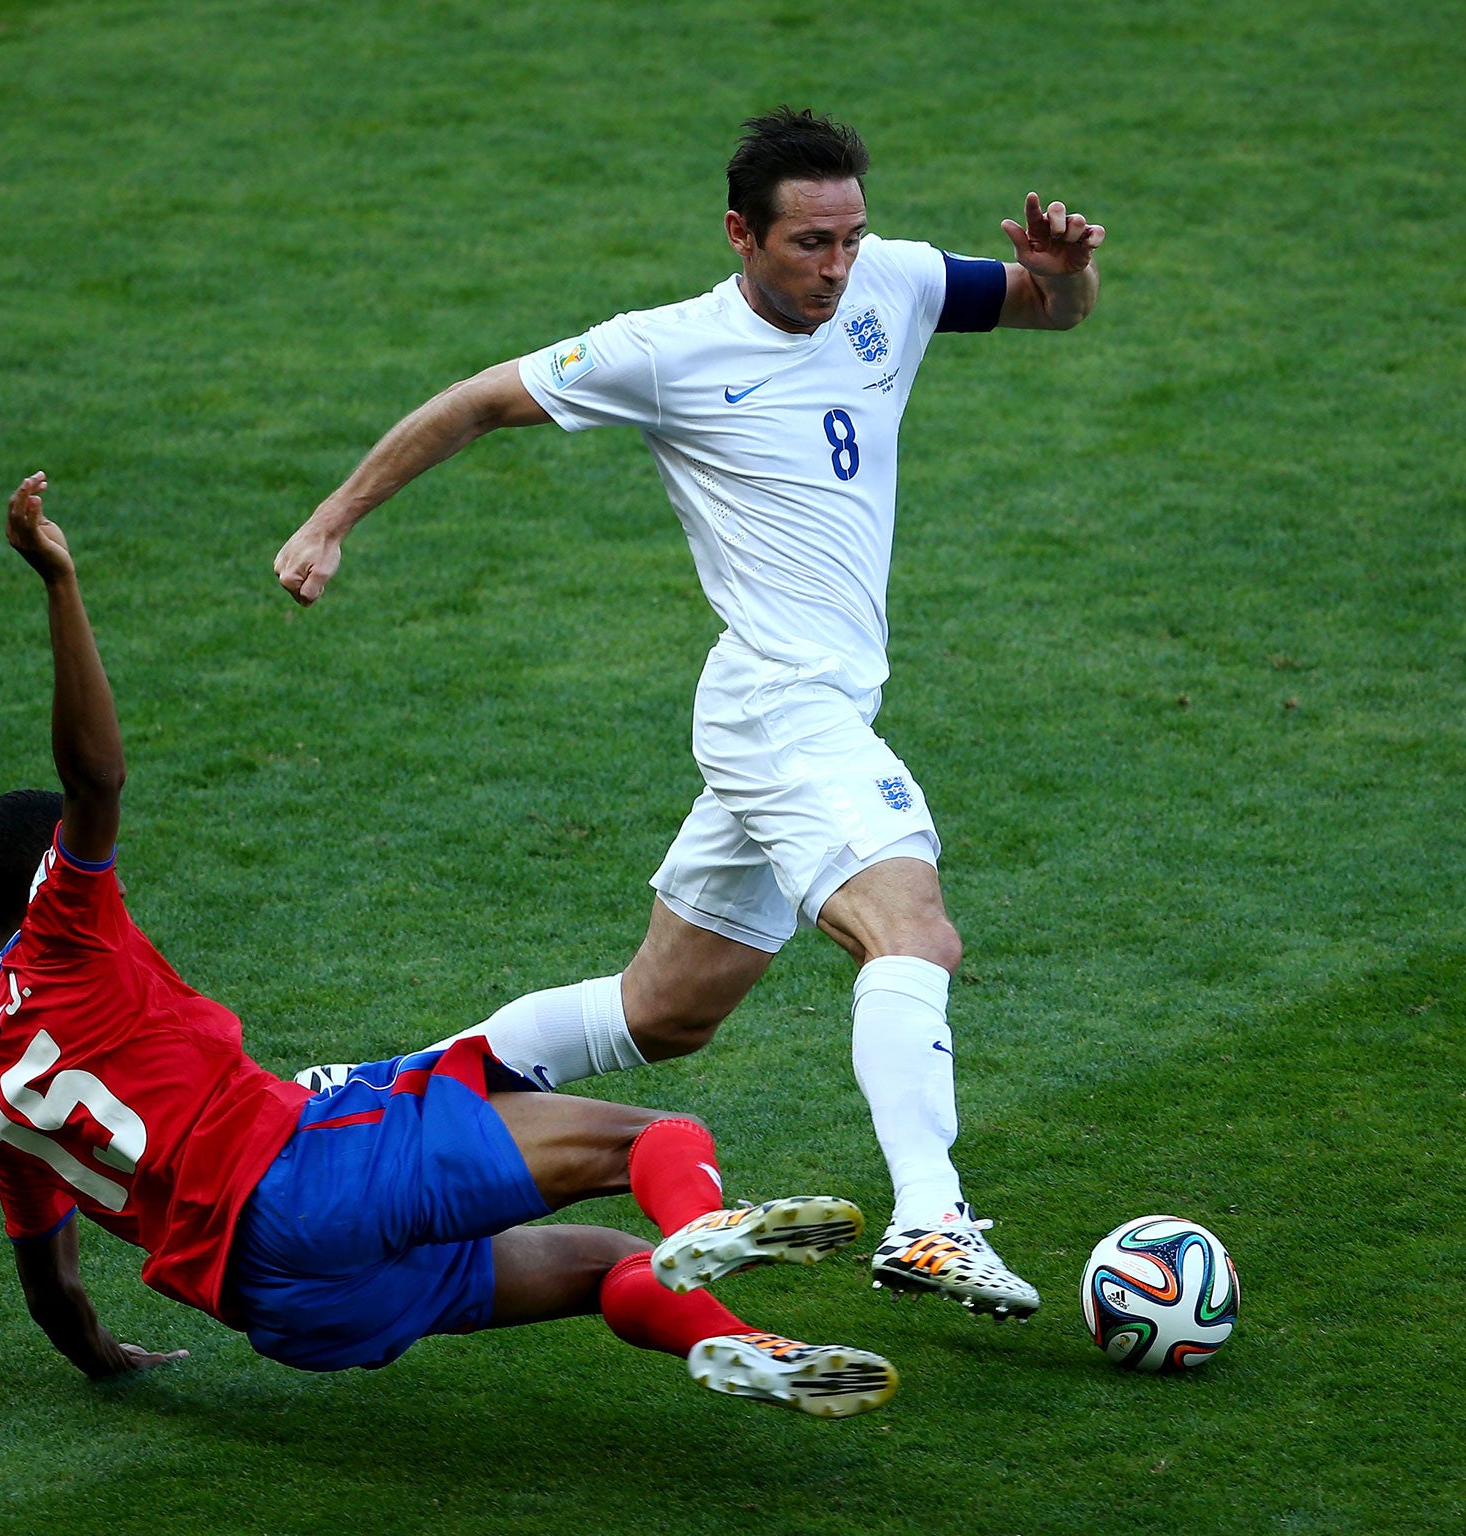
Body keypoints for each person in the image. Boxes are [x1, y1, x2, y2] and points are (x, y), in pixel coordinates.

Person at [272, 108, 1105, 1318]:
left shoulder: (893, 282)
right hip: (780, 703)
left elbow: (1046, 307)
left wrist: (1069, 274)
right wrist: (330, 521)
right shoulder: (664, 351)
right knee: (912, 932)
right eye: (808, 244)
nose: (836, 268)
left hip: (800, 704)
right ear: (739, 235)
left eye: (849, 237)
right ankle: (930, 1220)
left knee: (662, 1012)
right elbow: (473, 401)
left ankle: (371, 1092)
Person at [0, 472, 898, 1418]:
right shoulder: (66, 930)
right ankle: (704, 1227)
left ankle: (749, 1350)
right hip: (311, 1182)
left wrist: (107, 1359)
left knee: (603, 1264)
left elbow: (54, 1289)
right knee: (657, 1140)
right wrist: (59, 585)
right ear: (48, 878)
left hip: (281, 1306)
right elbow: (96, 775)